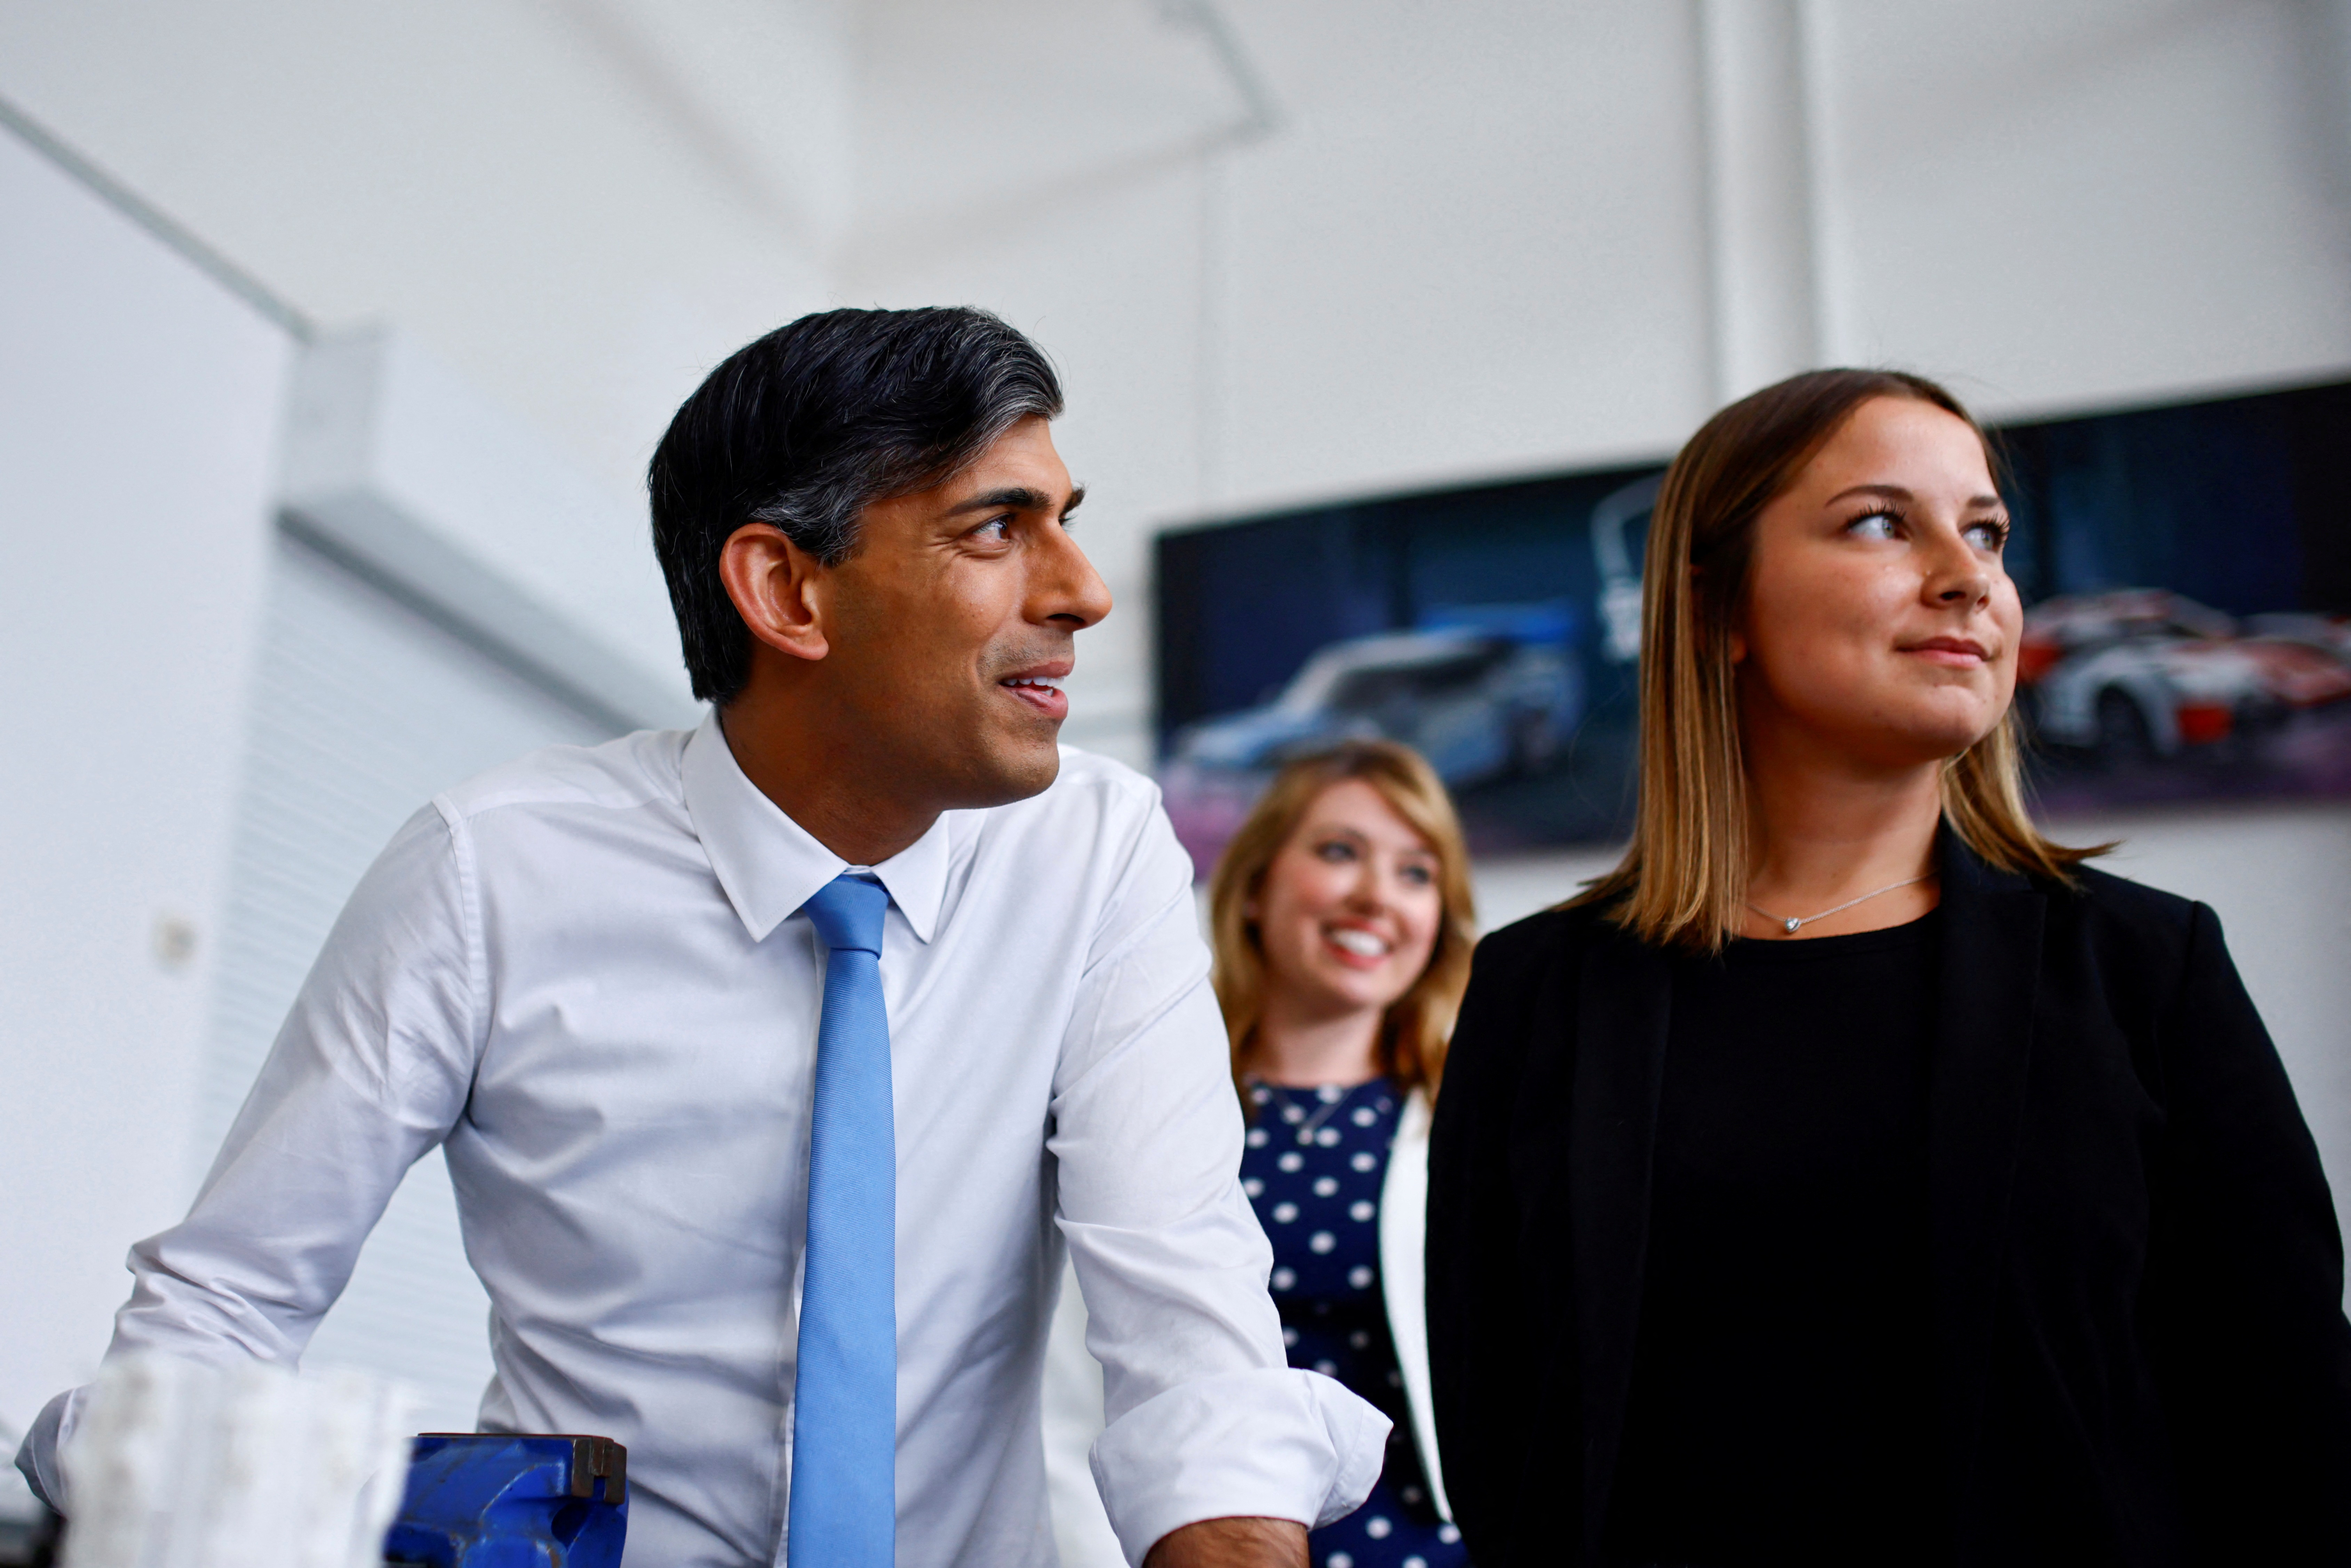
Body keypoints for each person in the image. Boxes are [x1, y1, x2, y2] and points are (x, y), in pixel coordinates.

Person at [17, 307, 1387, 1568]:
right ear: (787, 591)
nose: (1085, 589)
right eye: (994, 529)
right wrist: (177, 1491)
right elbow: (228, 1309)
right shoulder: (489, 871)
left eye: (1067, 521)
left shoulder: (1098, 851)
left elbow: (1186, 1329)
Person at [1426, 368, 2351, 1566]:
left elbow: (2290, 1428)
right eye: (1879, 521)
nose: (1967, 574)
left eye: (1984, 531)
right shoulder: (1537, 993)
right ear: (1716, 609)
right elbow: (1505, 1447)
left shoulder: (2142, 968)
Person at [1049, 740, 1479, 1568]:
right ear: (1254, 888)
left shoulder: (1476, 1118)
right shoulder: (1143, 1103)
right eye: (1338, 851)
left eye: (1416, 873)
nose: (1375, 897)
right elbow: (1072, 1384)